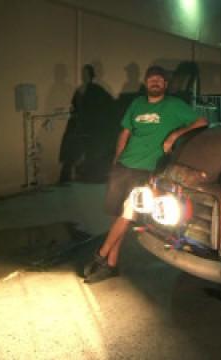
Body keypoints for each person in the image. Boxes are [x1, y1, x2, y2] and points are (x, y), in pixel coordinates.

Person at [84, 65, 208, 283]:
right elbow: (125, 132)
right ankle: (112, 265)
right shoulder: (136, 104)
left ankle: (100, 256)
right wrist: (116, 158)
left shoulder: (174, 106)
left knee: (128, 213)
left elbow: (202, 121)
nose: (156, 82)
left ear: (166, 85)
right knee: (117, 216)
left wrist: (176, 134)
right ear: (146, 83)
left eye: (160, 80)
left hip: (146, 170)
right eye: (152, 79)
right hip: (123, 165)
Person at [59, 64, 113, 183]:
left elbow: (107, 104)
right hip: (78, 124)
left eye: (86, 73)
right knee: (71, 148)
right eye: (82, 73)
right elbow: (74, 106)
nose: (84, 76)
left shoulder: (97, 89)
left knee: (90, 151)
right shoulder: (79, 90)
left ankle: (88, 176)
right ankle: (67, 176)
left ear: (91, 75)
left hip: (91, 127)